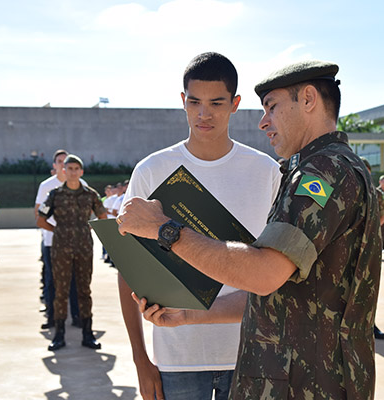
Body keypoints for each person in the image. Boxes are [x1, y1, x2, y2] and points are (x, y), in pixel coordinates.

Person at [119, 60, 381, 399]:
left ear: (309, 99)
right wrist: (189, 316)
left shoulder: (322, 173)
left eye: (272, 107)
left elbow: (264, 273)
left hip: (312, 379)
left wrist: (166, 230)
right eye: (195, 102)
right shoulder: (321, 168)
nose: (263, 122)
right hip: (303, 373)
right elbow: (275, 293)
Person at [116, 52, 281, 400]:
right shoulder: (151, 170)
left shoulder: (265, 172)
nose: (204, 114)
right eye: (194, 102)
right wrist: (141, 361)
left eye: (216, 103)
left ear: (235, 104)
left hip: (251, 353)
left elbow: (278, 269)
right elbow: (128, 268)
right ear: (183, 101)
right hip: (176, 358)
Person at [37, 154, 107, 351]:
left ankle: (87, 333)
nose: (74, 172)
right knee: (61, 291)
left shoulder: (90, 194)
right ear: (64, 171)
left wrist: (86, 230)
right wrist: (59, 232)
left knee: (84, 290)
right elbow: (41, 219)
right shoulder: (55, 195)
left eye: (77, 169)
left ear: (81, 172)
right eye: (70, 168)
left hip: (84, 248)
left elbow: (102, 216)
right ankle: (59, 335)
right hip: (60, 250)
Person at [34, 149, 85, 330]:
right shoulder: (47, 187)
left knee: (76, 281)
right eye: (60, 162)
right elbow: (39, 215)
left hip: (78, 244)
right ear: (55, 166)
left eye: (68, 162)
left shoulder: (83, 186)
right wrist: (59, 231)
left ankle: (78, 316)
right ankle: (52, 317)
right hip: (52, 242)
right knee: (52, 281)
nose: (65, 166)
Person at [362, 158, 384, 341]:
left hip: (370, 245)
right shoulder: (349, 188)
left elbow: (383, 216)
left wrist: (369, 230)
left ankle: (371, 324)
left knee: (369, 286)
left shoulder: (377, 193)